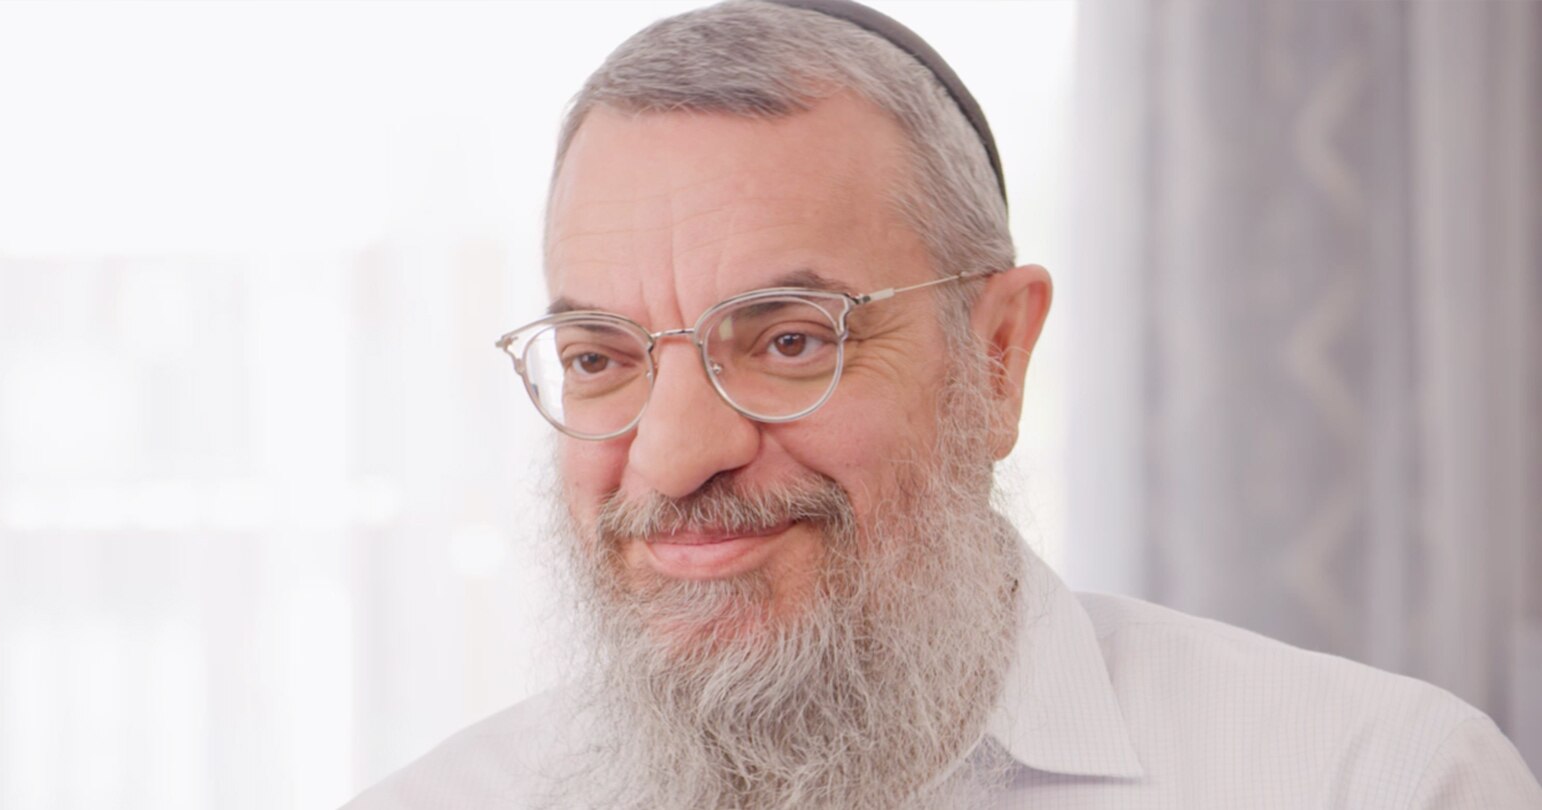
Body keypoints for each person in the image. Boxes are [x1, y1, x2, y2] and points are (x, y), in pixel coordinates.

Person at [344, 1, 1542, 807]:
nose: (670, 458)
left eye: (787, 340)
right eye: (601, 358)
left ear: (998, 358)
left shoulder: (1370, 781)